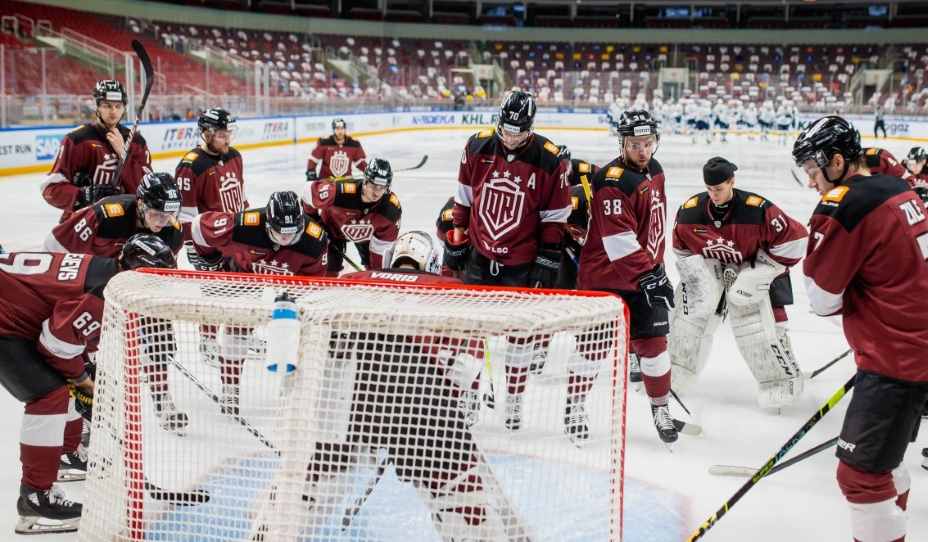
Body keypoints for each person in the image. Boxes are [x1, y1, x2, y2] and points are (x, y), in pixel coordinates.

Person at [795, 115, 928, 542]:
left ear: (836, 161)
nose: (813, 182)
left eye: (814, 170)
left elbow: (820, 299)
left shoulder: (845, 204)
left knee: (859, 476)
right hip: (914, 343)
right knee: (883, 465)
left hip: (899, 357)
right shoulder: (896, 186)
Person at [0, 235, 176, 534]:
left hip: (12, 310)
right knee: (50, 395)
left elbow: (63, 324)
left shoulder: (106, 271)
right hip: (6, 321)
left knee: (65, 384)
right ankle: (35, 497)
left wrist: (82, 373)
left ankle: (66, 452)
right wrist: (83, 382)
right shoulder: (103, 293)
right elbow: (54, 344)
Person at [446, 89, 570, 433]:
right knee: (469, 334)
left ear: (530, 128)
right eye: (506, 130)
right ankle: (469, 395)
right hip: (479, 257)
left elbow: (555, 216)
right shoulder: (477, 146)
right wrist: (457, 241)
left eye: (519, 132)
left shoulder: (549, 159)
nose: (511, 138)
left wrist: (547, 260)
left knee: (519, 337)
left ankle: (514, 400)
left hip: (521, 263)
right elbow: (463, 200)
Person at [669, 157, 807, 409]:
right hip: (714, 269)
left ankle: (779, 380)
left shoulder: (758, 209)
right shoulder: (690, 211)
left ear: (732, 181)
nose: (714, 195)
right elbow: (681, 248)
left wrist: (758, 271)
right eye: (709, 189)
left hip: (754, 267)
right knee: (692, 314)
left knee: (751, 316)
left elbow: (795, 240)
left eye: (719, 189)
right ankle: (677, 371)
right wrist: (700, 274)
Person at [577, 109, 681, 444]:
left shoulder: (656, 170)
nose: (642, 150)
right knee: (592, 350)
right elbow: (618, 241)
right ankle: (574, 405)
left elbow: (654, 226)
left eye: (648, 143)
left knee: (654, 347)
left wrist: (657, 267)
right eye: (635, 144)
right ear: (623, 143)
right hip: (605, 280)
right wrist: (650, 276)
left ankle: (660, 408)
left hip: (642, 274)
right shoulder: (611, 181)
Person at [189, 191, 329, 415]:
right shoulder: (244, 226)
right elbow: (197, 226)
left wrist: (293, 305)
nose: (285, 240)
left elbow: (313, 286)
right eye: (279, 234)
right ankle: (230, 389)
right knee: (237, 332)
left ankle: (291, 383)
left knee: (299, 328)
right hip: (243, 275)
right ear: (267, 225)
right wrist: (210, 263)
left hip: (291, 282)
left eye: (291, 235)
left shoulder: (314, 241)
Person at [41, 80, 152, 222]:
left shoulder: (136, 142)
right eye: (107, 106)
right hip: (82, 223)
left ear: (124, 108)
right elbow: (51, 189)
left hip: (124, 223)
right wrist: (84, 195)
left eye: (118, 106)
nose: (113, 111)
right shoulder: (77, 140)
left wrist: (123, 154)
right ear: (97, 107)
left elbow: (147, 190)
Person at [43, 172, 183, 259]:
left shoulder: (174, 231)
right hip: (89, 270)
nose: (163, 221)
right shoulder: (107, 214)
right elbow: (55, 244)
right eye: (157, 214)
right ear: (141, 204)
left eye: (169, 214)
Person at [301, 157, 401, 275]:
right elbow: (307, 192)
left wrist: (377, 274)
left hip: (366, 237)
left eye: (382, 187)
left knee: (376, 272)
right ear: (365, 181)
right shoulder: (339, 191)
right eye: (374, 186)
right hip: (332, 231)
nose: (377, 192)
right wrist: (316, 224)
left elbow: (381, 248)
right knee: (329, 270)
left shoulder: (391, 209)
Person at [175, 108, 248, 227]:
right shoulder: (190, 167)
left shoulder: (235, 156)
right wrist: (190, 244)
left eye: (229, 134)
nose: (228, 141)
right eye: (222, 136)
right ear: (207, 135)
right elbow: (186, 217)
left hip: (236, 235)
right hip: (211, 241)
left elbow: (242, 198)